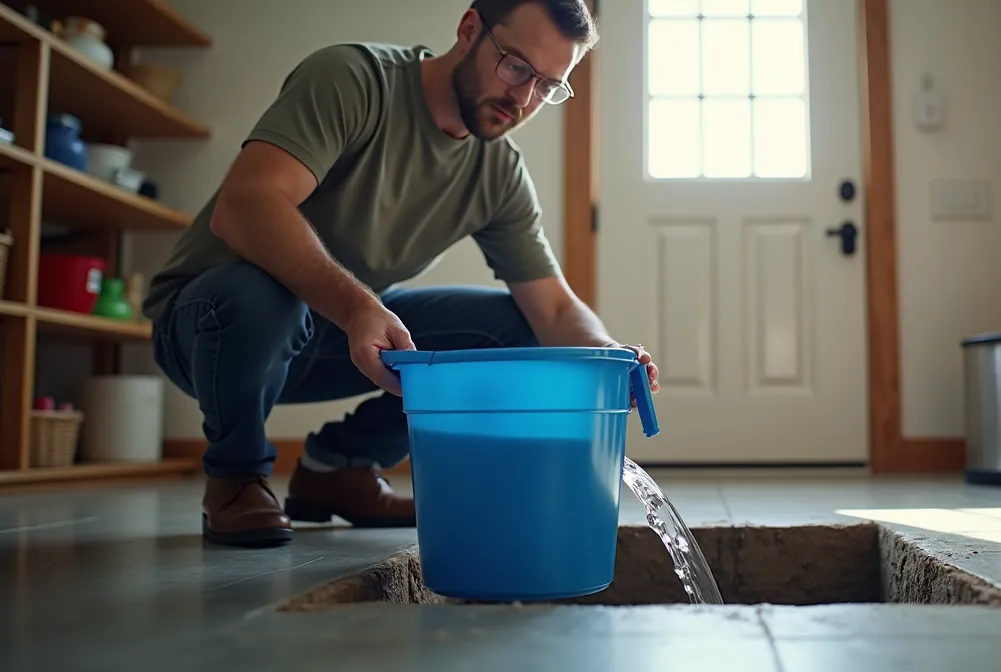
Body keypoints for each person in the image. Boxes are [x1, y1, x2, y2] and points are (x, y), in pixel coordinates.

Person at [141, 0, 658, 548]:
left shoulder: (498, 173)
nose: (524, 98)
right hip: (212, 328)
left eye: (548, 86)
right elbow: (244, 206)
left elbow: (551, 308)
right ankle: (235, 477)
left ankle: (338, 467)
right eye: (516, 67)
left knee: (517, 332)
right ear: (468, 30)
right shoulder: (353, 80)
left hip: (331, 338)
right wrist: (360, 308)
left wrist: (607, 356)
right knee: (260, 291)